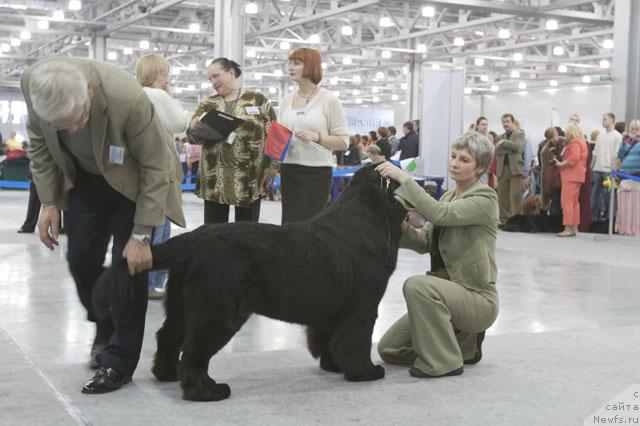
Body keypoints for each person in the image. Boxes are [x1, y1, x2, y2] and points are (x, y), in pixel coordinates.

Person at [21, 57, 185, 394]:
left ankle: (119, 363)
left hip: (135, 180)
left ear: (89, 93)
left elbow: (157, 166)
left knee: (129, 267)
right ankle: (104, 323)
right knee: (80, 258)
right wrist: (49, 202)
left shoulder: (128, 98)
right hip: (84, 180)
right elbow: (39, 145)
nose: (70, 130)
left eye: (75, 120)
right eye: (60, 125)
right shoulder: (33, 85)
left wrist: (141, 235)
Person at [375, 131, 498, 378]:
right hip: (448, 294)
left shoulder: (486, 197)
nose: (454, 163)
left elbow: (441, 214)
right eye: (453, 156)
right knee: (390, 348)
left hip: (477, 298)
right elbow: (422, 242)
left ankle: (445, 361)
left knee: (417, 286)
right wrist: (393, 220)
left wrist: (403, 178)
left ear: (480, 167)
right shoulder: (448, 196)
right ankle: (461, 344)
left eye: (464, 159)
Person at [188, 57, 276, 224]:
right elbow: (192, 138)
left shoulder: (257, 99)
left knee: (247, 233)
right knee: (213, 233)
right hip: (215, 177)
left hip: (249, 177)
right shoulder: (208, 104)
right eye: (210, 78)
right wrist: (194, 128)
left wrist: (273, 165)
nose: (213, 82)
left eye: (216, 75)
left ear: (231, 73)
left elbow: (274, 133)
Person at [135, 53, 188, 299]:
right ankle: (152, 283)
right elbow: (181, 122)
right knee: (159, 226)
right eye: (165, 72)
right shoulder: (156, 95)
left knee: (145, 225)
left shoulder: (137, 94)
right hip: (159, 170)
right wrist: (169, 93)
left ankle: (143, 281)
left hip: (142, 171)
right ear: (159, 74)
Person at [278, 47, 349, 223]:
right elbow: (279, 135)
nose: (291, 67)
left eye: (296, 63)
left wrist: (317, 137)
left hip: (316, 173)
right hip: (288, 170)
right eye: (290, 63)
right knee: (288, 226)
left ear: (310, 66)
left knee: (308, 229)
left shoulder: (329, 100)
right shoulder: (286, 100)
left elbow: (343, 141)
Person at [554, 123, 587, 237]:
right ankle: (574, 227)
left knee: (566, 202)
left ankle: (568, 228)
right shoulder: (582, 142)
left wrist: (560, 163)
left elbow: (574, 158)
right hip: (578, 175)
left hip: (571, 175)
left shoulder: (574, 143)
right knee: (575, 203)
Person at [495, 113, 526, 225]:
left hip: (515, 169)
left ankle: (516, 220)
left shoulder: (520, 134)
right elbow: (498, 152)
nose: (505, 124)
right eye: (503, 122)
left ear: (512, 122)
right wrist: (510, 148)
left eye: (507, 121)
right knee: (502, 195)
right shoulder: (499, 137)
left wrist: (504, 143)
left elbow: (519, 148)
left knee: (515, 195)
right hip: (502, 169)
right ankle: (504, 219)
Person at [591, 112, 622, 221]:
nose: (603, 121)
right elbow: (595, 153)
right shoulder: (600, 135)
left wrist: (615, 170)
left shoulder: (618, 136)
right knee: (593, 196)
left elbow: (617, 155)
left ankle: (609, 220)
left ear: (612, 120)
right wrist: (591, 168)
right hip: (596, 170)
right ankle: (593, 220)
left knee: (608, 196)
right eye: (602, 119)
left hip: (609, 171)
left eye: (605, 119)